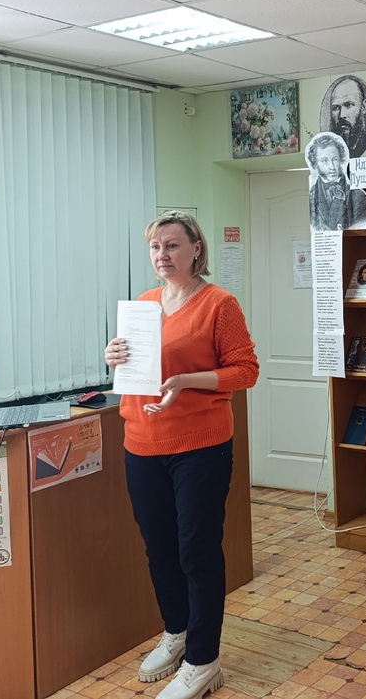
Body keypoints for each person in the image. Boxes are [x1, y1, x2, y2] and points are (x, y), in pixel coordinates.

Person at [105, 211, 259, 699]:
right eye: (155, 247)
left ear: (196, 249)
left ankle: (203, 660)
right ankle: (177, 632)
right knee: (160, 549)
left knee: (197, 551)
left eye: (172, 245)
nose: (162, 255)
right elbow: (137, 371)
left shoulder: (219, 303)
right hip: (141, 441)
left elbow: (246, 370)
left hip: (201, 445)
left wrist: (187, 381)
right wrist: (113, 358)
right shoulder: (143, 305)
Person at [308, 132, 366, 231]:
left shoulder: (358, 196)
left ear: (341, 160)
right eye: (325, 161)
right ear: (315, 164)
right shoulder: (310, 196)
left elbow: (362, 232)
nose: (332, 167)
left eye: (335, 159)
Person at [324, 75, 366, 158]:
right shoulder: (325, 149)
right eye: (336, 108)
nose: (342, 115)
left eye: (348, 105)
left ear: (363, 107)